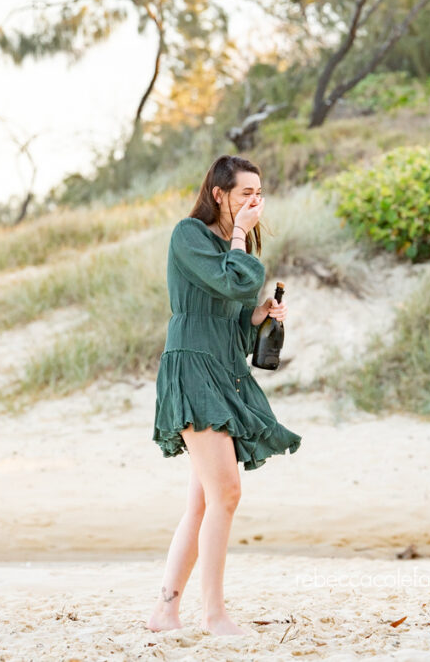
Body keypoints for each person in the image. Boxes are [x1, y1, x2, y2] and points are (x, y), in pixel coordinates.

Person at [146, 155, 301, 636]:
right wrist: (239, 237)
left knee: (204, 502)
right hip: (191, 367)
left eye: (259, 194)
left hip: (223, 369)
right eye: (244, 194)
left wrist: (257, 317)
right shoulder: (189, 235)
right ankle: (213, 616)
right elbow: (230, 279)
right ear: (219, 194)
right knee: (227, 494)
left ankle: (165, 611)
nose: (255, 203)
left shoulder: (230, 246)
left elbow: (232, 321)